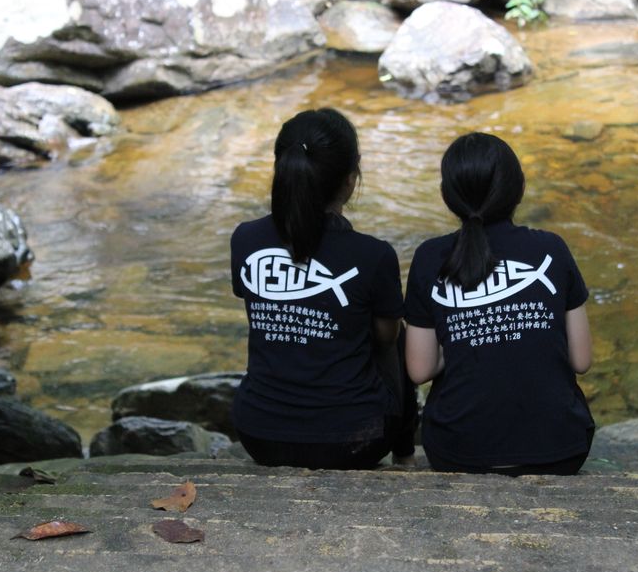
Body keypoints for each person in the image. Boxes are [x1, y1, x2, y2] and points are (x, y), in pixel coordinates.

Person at [230, 108, 416, 470]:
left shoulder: (246, 239)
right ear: (350, 179)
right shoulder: (373, 255)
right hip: (355, 441)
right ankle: (405, 455)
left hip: (259, 435)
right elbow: (386, 336)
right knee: (398, 332)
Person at [404, 132, 594, 476]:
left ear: (448, 196)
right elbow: (581, 360)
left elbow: (419, 370)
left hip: (458, 455)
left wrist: (461, 339)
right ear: (519, 188)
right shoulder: (550, 249)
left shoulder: (429, 257)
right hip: (559, 451)